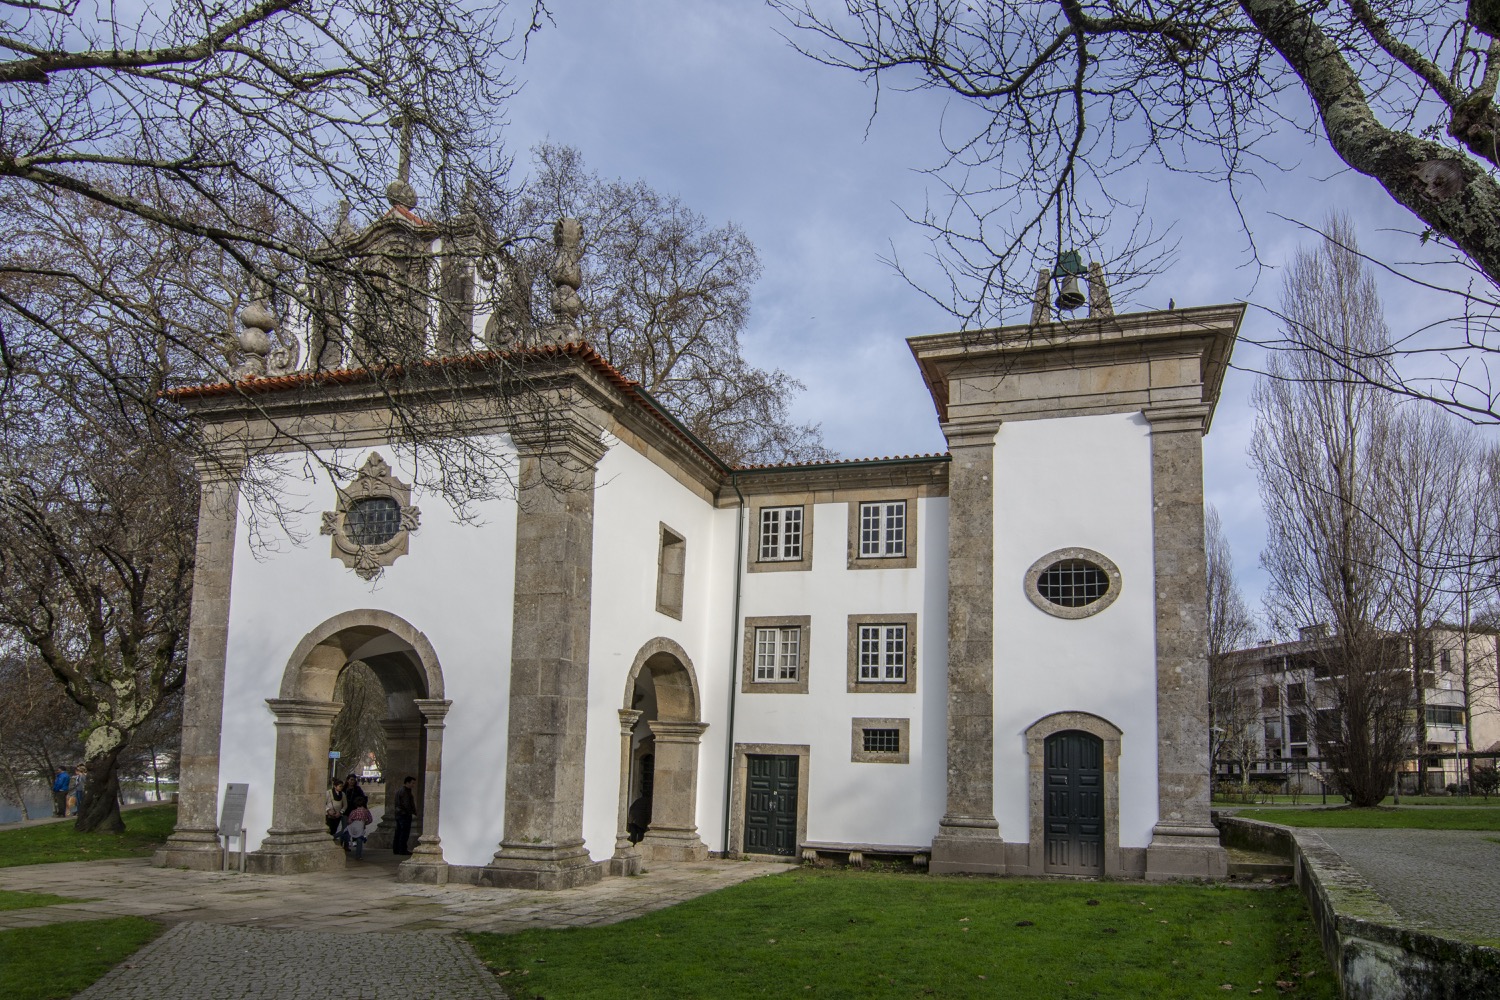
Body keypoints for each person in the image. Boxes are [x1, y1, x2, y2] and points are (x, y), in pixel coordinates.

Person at [392, 776, 417, 856]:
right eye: (412, 783)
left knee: (399, 832)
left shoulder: (400, 791)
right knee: (404, 833)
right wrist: (411, 812)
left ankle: (397, 849)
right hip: (404, 814)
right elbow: (406, 804)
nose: (413, 785)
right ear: (407, 783)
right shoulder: (405, 792)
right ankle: (402, 849)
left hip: (399, 814)